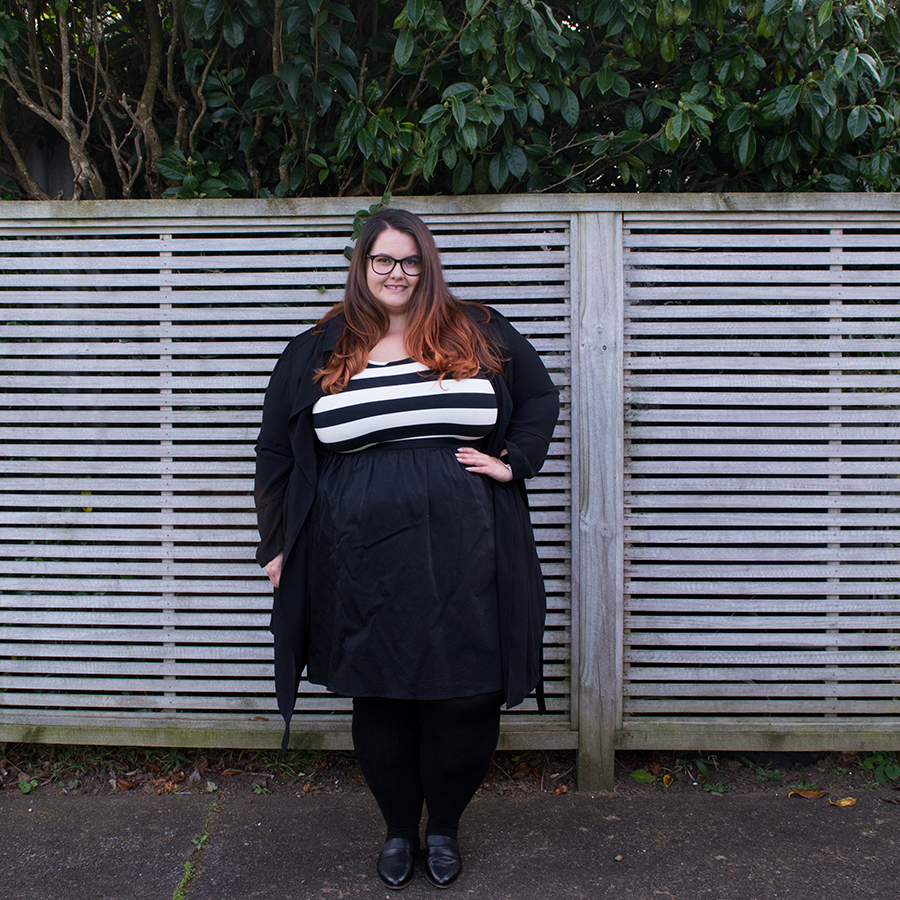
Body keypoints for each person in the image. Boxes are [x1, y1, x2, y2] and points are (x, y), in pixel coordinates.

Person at [254, 208, 559, 890]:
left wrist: (513, 461)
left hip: (473, 552)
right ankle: (398, 829)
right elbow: (276, 454)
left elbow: (539, 398)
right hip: (356, 558)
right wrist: (276, 547)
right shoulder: (317, 348)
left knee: (467, 697)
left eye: (411, 261)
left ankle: (444, 826)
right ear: (361, 267)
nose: (398, 274)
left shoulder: (478, 329)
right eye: (383, 261)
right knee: (382, 697)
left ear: (429, 266)